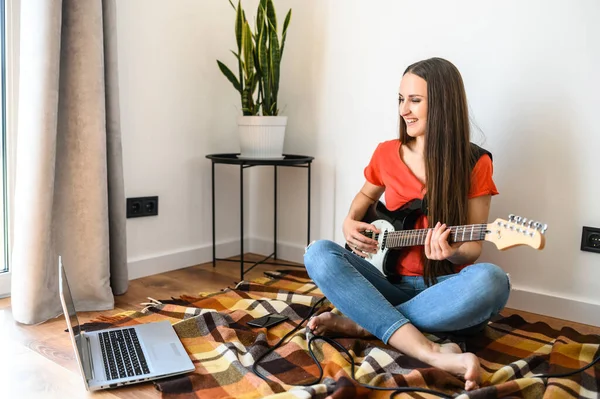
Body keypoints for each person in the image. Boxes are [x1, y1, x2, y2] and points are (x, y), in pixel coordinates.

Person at [303, 57, 510, 391]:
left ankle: (364, 322)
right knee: (318, 253)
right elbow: (361, 201)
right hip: (386, 281)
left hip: (441, 290)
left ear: (442, 104)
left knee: (493, 281)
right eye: (401, 99)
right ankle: (430, 350)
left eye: (415, 100)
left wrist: (452, 251)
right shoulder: (386, 153)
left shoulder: (475, 162)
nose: (404, 110)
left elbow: (472, 249)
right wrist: (348, 223)